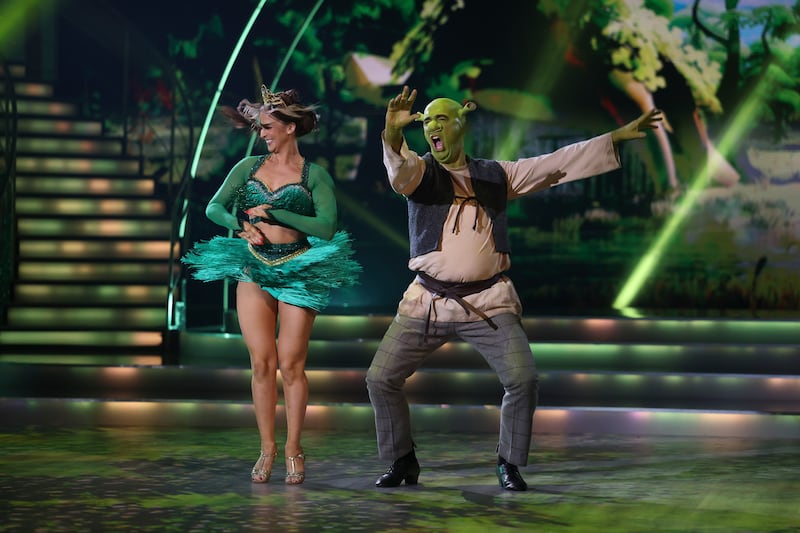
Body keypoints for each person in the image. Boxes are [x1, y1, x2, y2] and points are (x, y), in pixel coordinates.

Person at [366, 86, 661, 491]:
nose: (433, 127)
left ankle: (509, 461)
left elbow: (555, 163)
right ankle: (402, 460)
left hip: (488, 301)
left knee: (523, 380)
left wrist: (613, 138)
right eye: (427, 120)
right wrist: (391, 132)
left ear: (460, 123)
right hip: (428, 301)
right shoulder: (419, 173)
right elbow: (398, 169)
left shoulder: (496, 175)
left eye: (441, 119)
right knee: (380, 378)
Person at [182, 85, 360, 485]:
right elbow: (214, 206)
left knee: (291, 364)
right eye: (259, 127)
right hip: (255, 267)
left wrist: (280, 215)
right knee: (262, 363)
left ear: (290, 128)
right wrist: (240, 225)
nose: (261, 133)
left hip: (300, 268)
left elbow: (327, 227)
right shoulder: (247, 168)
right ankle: (267, 448)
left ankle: (295, 448)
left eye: (267, 126)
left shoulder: (315, 176)